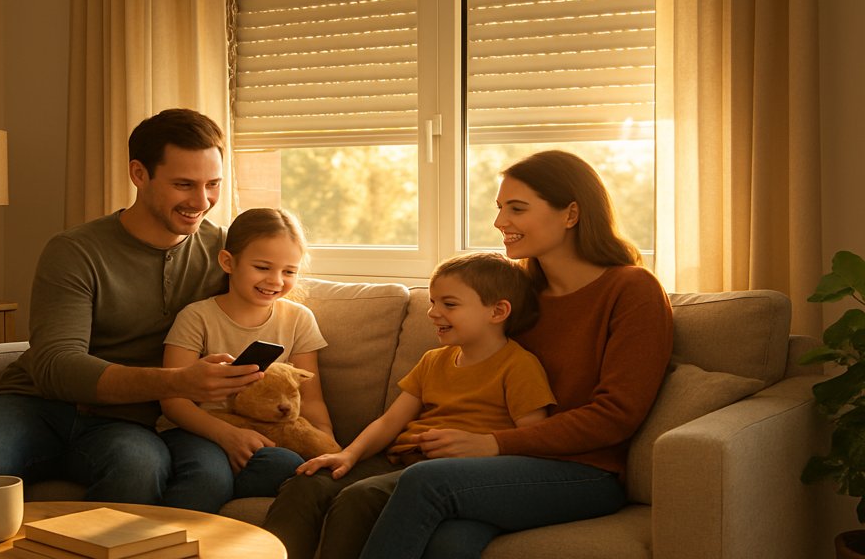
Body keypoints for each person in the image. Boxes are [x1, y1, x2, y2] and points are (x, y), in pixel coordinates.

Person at [0, 108, 266, 507]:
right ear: (139, 174)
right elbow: (57, 366)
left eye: (213, 184)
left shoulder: (224, 254)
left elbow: (275, 293)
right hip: (35, 405)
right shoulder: (75, 251)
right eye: (183, 184)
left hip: (126, 420)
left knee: (139, 469)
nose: (201, 200)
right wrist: (175, 382)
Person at [355, 150, 675, 559]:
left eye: (517, 208)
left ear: (571, 213)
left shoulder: (632, 290)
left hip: (585, 473)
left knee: (426, 482)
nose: (500, 222)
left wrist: (494, 444)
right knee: (449, 542)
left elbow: (617, 414)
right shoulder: (519, 295)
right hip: (506, 469)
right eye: (500, 208)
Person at [262, 251, 556, 559]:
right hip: (399, 460)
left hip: (446, 475)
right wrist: (347, 455)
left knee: (360, 497)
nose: (433, 312)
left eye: (449, 304)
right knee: (305, 483)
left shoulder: (519, 365)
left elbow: (531, 439)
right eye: (432, 302)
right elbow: (390, 422)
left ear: (497, 312)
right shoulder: (433, 360)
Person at [157, 207, 335, 511]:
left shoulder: (299, 320)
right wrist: (228, 436)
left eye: (289, 271)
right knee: (208, 477)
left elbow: (311, 399)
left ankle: (223, 484)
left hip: (265, 435)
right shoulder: (197, 317)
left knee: (288, 465)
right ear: (228, 262)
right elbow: (172, 400)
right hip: (198, 430)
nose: (276, 280)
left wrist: (326, 446)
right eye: (263, 267)